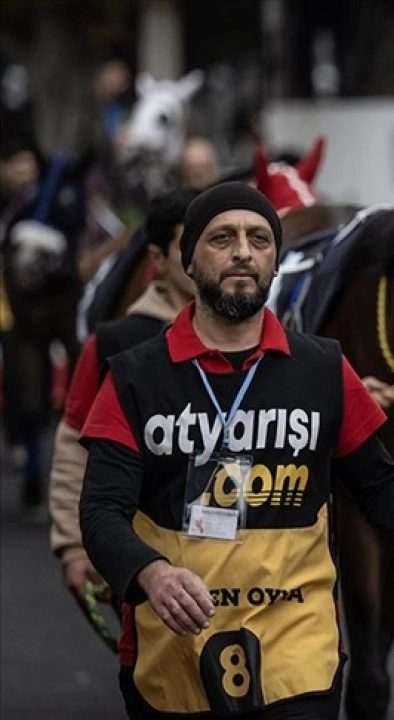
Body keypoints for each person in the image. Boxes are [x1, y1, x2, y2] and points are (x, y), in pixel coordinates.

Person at [78, 183, 394, 719]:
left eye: (259, 238)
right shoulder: (134, 376)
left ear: (275, 261)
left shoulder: (325, 368)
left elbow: (377, 484)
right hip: (172, 650)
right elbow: (100, 512)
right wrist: (151, 573)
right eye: (223, 238)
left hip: (298, 652)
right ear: (187, 260)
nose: (243, 250)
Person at [50, 188, 199, 617]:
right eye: (194, 243)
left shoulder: (275, 345)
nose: (216, 256)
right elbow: (75, 442)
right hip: (145, 566)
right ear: (158, 257)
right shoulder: (114, 344)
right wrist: (74, 547)